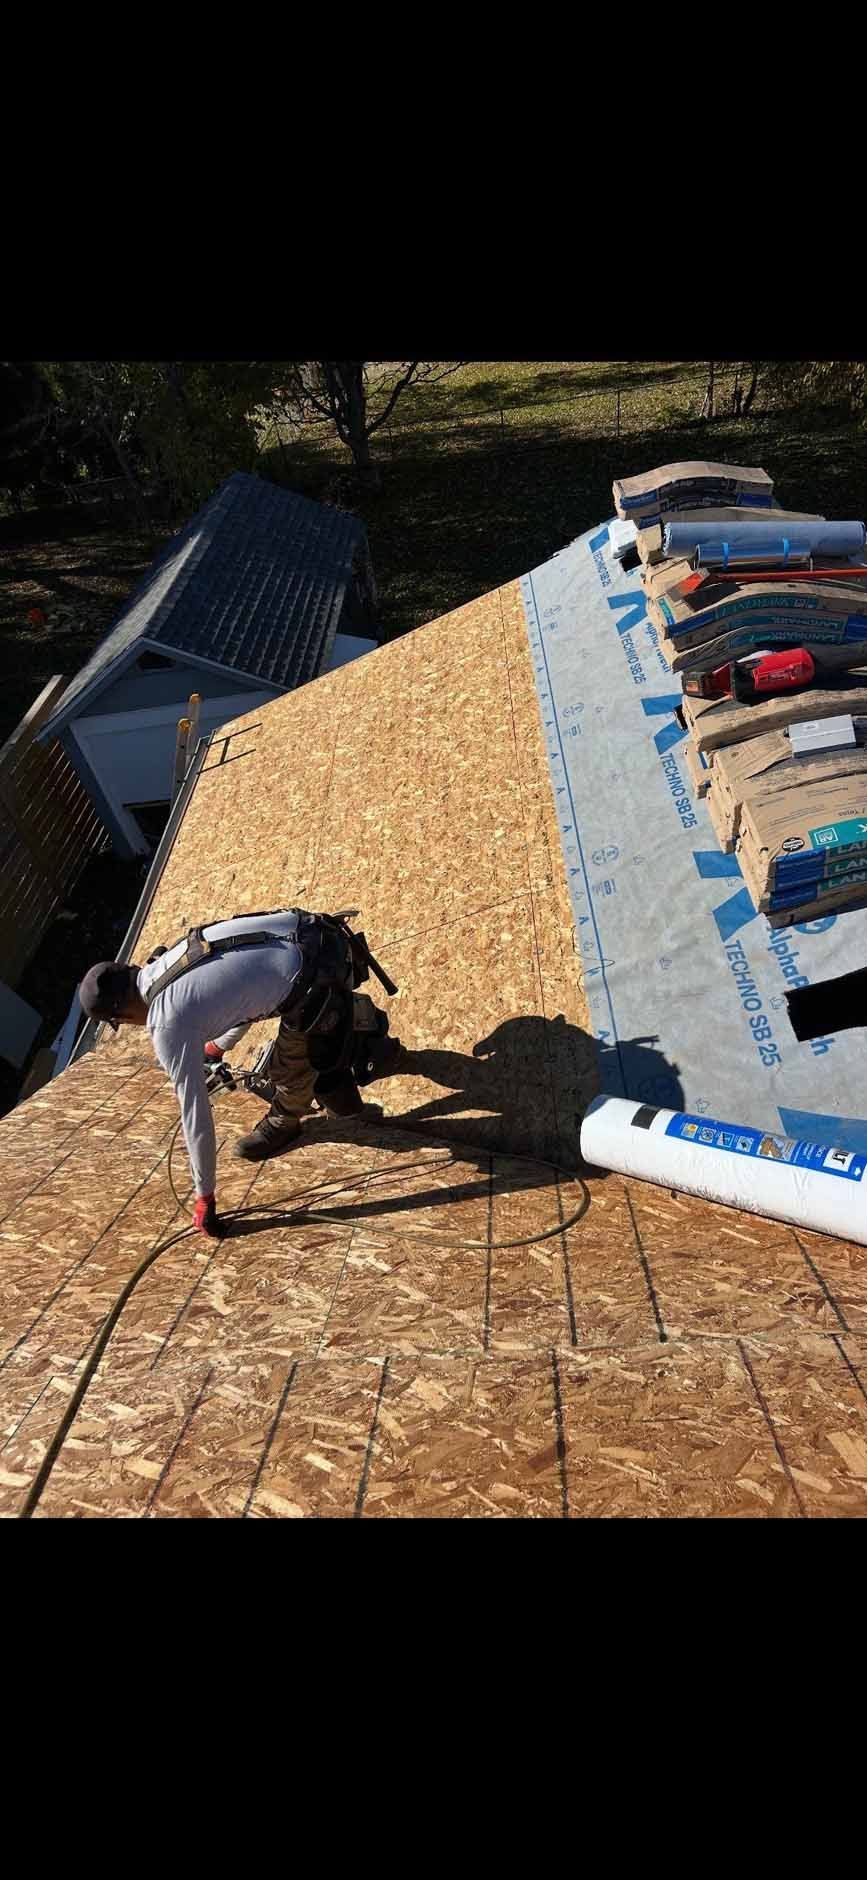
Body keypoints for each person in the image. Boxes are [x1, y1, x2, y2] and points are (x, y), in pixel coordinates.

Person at [78, 908, 404, 1239]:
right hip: (326, 939)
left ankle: (293, 1112)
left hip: (318, 980)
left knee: (283, 1069)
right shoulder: (175, 955)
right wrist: (218, 1048)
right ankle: (355, 1022)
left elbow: (196, 1116)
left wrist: (205, 1197)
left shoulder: (165, 1024)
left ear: (120, 1012)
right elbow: (241, 990)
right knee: (296, 1013)